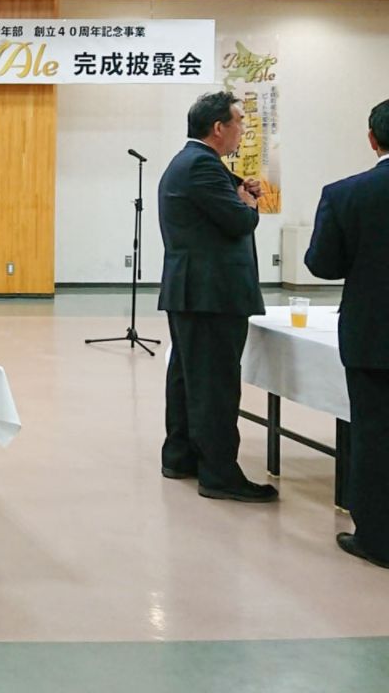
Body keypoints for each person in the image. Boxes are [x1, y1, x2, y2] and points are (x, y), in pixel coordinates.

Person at [157, 90, 276, 503]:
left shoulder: (193, 163)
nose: (243, 129)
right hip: (211, 292)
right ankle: (220, 474)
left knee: (189, 377)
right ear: (219, 128)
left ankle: (181, 454)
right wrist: (248, 203)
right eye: (239, 121)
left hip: (194, 289)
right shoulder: (201, 167)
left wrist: (240, 189)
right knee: (215, 384)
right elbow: (237, 221)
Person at [304, 99, 389, 568]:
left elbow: (322, 264)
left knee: (374, 434)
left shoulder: (346, 194)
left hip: (373, 334)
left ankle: (377, 537)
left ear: (372, 139)